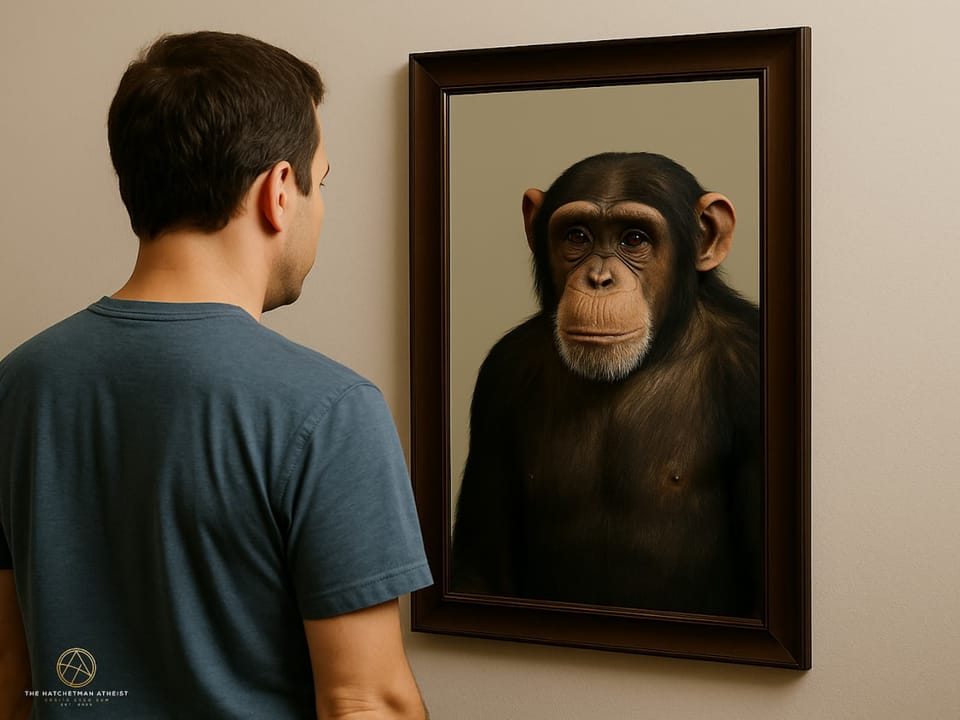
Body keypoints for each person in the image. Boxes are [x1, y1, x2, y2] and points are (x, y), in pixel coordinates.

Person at [0, 31, 432, 719]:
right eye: (320, 182)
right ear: (279, 192)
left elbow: (14, 674)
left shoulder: (16, 386)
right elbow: (365, 700)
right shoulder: (329, 409)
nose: (320, 209)